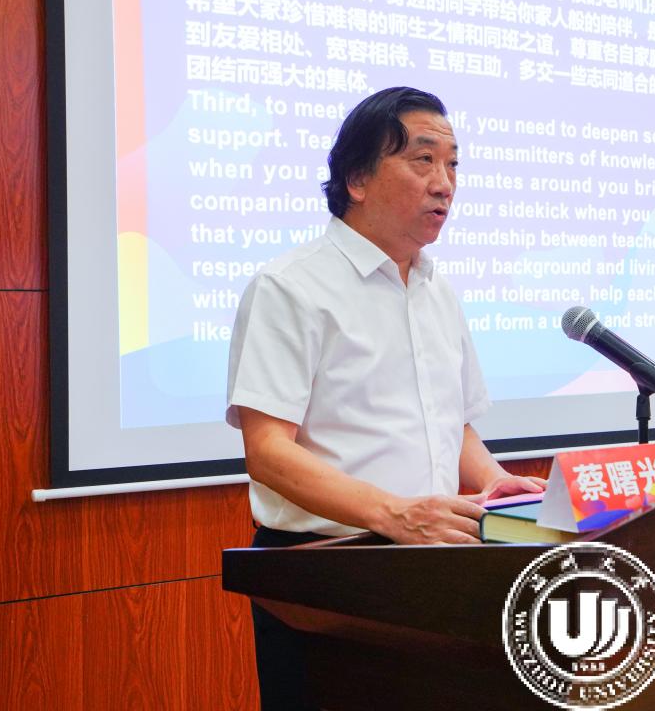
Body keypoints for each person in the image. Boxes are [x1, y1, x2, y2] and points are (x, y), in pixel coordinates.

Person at [225, 86, 546, 709]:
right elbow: (267, 452)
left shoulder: (436, 290)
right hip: (324, 574)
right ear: (357, 180)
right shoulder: (290, 287)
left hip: (430, 563)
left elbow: (453, 425)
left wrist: (494, 481)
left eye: (453, 164)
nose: (444, 184)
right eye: (423, 160)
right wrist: (392, 515)